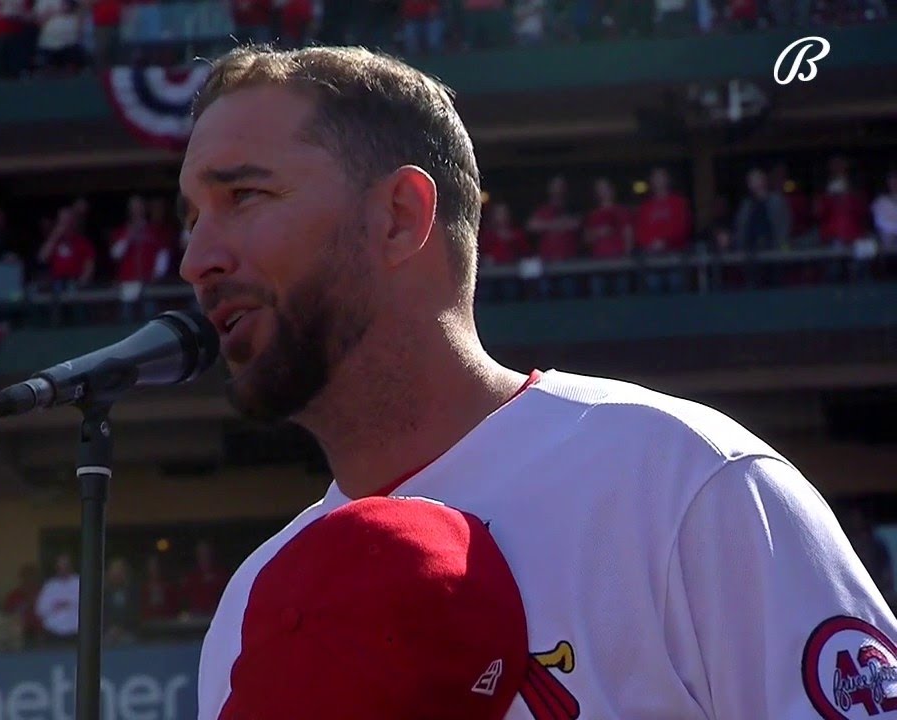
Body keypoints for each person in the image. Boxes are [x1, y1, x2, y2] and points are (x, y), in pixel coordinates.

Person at [176, 45, 897, 719]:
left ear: (399, 218)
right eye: (191, 218)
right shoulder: (259, 601)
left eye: (244, 196)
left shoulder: (683, 482)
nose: (195, 259)